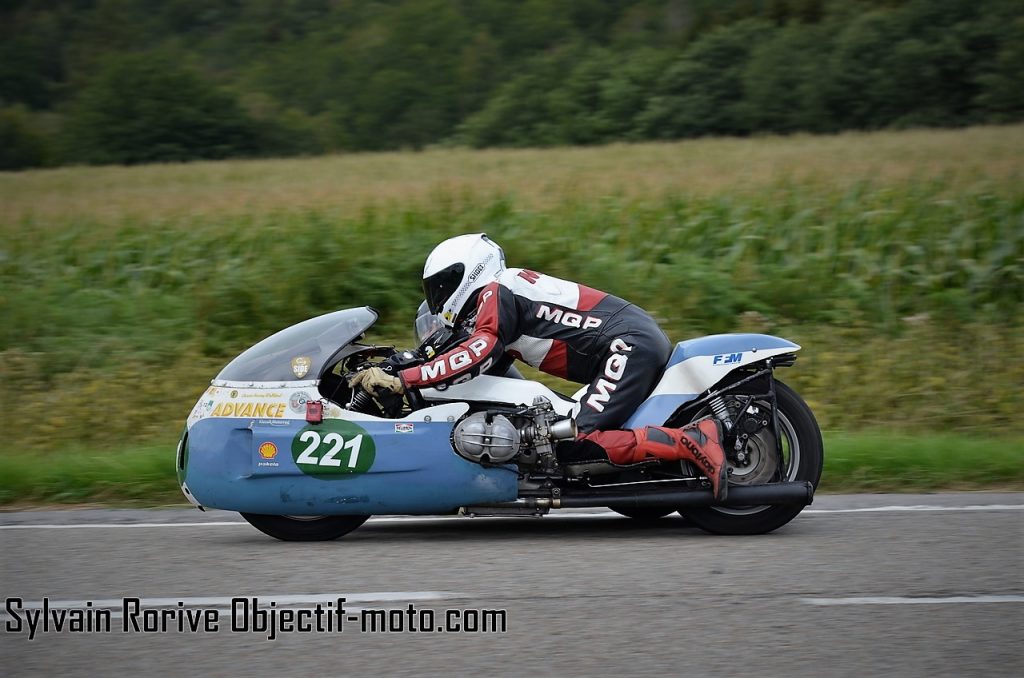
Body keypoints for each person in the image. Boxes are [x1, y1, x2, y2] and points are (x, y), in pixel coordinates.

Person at [348, 233, 729, 500]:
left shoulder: (496, 291)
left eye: (441, 287)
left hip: (625, 345)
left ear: (466, 273)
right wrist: (412, 361)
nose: (438, 300)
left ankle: (691, 440)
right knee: (559, 429)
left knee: (574, 443)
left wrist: (406, 378)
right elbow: (474, 358)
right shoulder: (502, 292)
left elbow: (477, 352)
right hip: (625, 340)